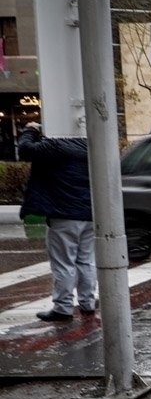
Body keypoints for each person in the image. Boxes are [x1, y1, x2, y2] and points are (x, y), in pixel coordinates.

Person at [17, 122, 96, 322]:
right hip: (89, 213)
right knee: (86, 260)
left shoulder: (56, 146)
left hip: (64, 213)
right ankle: (87, 302)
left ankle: (63, 307)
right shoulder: (90, 146)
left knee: (63, 262)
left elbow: (25, 150)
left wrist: (31, 130)